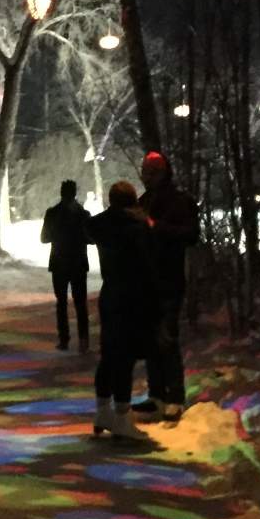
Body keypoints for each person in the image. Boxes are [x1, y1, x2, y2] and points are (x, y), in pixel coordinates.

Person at [87, 181, 159, 440]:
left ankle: (102, 410)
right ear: (133, 201)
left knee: (109, 354)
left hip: (110, 294)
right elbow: (150, 265)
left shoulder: (100, 225)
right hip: (134, 296)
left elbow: (90, 228)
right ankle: (122, 415)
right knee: (126, 357)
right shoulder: (138, 228)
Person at [137, 150, 199, 423]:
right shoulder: (145, 201)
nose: (147, 177)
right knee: (150, 340)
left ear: (163, 173)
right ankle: (157, 393)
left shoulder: (179, 201)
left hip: (169, 280)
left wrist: (155, 227)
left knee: (167, 338)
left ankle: (175, 396)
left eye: (152, 172)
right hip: (146, 281)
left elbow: (190, 234)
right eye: (145, 172)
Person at [40, 179, 91, 351]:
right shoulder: (83, 214)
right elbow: (90, 239)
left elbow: (44, 238)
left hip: (59, 262)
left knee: (61, 303)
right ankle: (84, 340)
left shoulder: (52, 213)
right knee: (80, 303)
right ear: (75, 193)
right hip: (78, 262)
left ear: (61, 193)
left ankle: (64, 339)